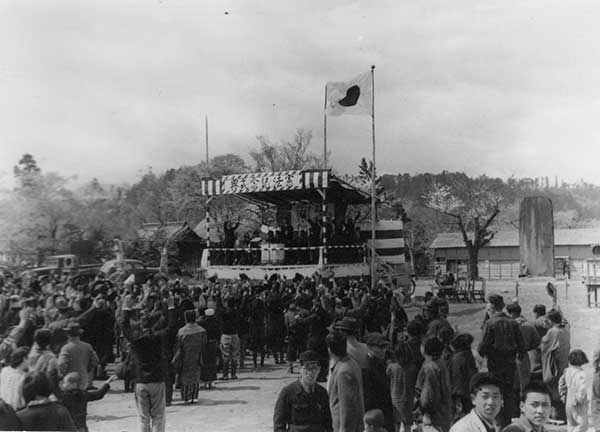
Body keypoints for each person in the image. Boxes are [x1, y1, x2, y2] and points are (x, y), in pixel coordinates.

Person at [120, 292, 177, 432]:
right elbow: (172, 327)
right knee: (158, 416)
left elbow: (124, 325)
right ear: (154, 325)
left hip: (140, 380)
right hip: (157, 379)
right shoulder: (158, 337)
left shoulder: (135, 339)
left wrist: (125, 307)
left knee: (143, 417)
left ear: (140, 325)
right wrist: (171, 306)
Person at [477, 294, 525, 428]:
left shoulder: (490, 323)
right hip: (510, 364)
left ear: (491, 306)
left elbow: (482, 347)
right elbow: (521, 346)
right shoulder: (512, 322)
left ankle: (498, 424)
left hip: (495, 364)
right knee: (508, 395)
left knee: (495, 394)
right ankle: (507, 423)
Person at [273, 350, 333, 432]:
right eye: (307, 368)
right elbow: (279, 424)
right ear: (300, 369)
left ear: (319, 370)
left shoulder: (322, 393)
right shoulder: (288, 392)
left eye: (314, 368)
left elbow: (328, 423)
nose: (311, 372)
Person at [327, 330, 365, 432]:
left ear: (329, 350)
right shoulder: (351, 362)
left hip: (344, 426)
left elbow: (347, 407)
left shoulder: (344, 371)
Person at [540, 310, 570, 421]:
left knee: (554, 392)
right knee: (562, 389)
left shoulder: (552, 331)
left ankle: (557, 416)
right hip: (564, 363)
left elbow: (543, 345)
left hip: (554, 366)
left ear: (551, 320)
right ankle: (562, 415)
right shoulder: (565, 329)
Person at [173, 309, 207, 403]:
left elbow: (177, 345)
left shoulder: (181, 332)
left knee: (185, 377)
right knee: (195, 376)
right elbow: (204, 343)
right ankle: (194, 396)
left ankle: (185, 397)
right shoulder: (202, 331)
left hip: (185, 357)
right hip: (197, 356)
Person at [505, 303, 541, 391]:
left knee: (512, 383)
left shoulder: (510, 325)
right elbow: (536, 342)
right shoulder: (529, 324)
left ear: (512, 313)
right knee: (524, 381)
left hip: (511, 356)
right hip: (524, 355)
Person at [363, 333, 394, 432]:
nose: (383, 350)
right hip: (375, 418)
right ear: (369, 347)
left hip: (385, 414)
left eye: (385, 347)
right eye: (380, 347)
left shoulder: (380, 363)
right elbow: (368, 396)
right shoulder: (367, 367)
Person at [58, 323, 99, 391]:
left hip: (69, 380)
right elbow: (95, 360)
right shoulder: (87, 346)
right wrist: (88, 369)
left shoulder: (66, 348)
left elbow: (61, 364)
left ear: (68, 334)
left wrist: (62, 374)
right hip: (84, 378)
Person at [387, 342, 418, 432]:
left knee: (396, 425)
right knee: (407, 426)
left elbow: (387, 382)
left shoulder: (391, 367)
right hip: (408, 400)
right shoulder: (413, 368)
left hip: (394, 400)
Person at [448, 333, 478, 421]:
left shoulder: (457, 358)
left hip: (461, 396)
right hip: (470, 393)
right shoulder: (468, 355)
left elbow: (457, 381)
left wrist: (457, 399)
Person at [558, 349, 589, 432]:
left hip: (568, 401)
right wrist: (580, 399)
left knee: (571, 424)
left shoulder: (567, 371)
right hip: (577, 403)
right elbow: (582, 388)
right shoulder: (581, 374)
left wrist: (562, 395)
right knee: (581, 424)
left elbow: (561, 383)